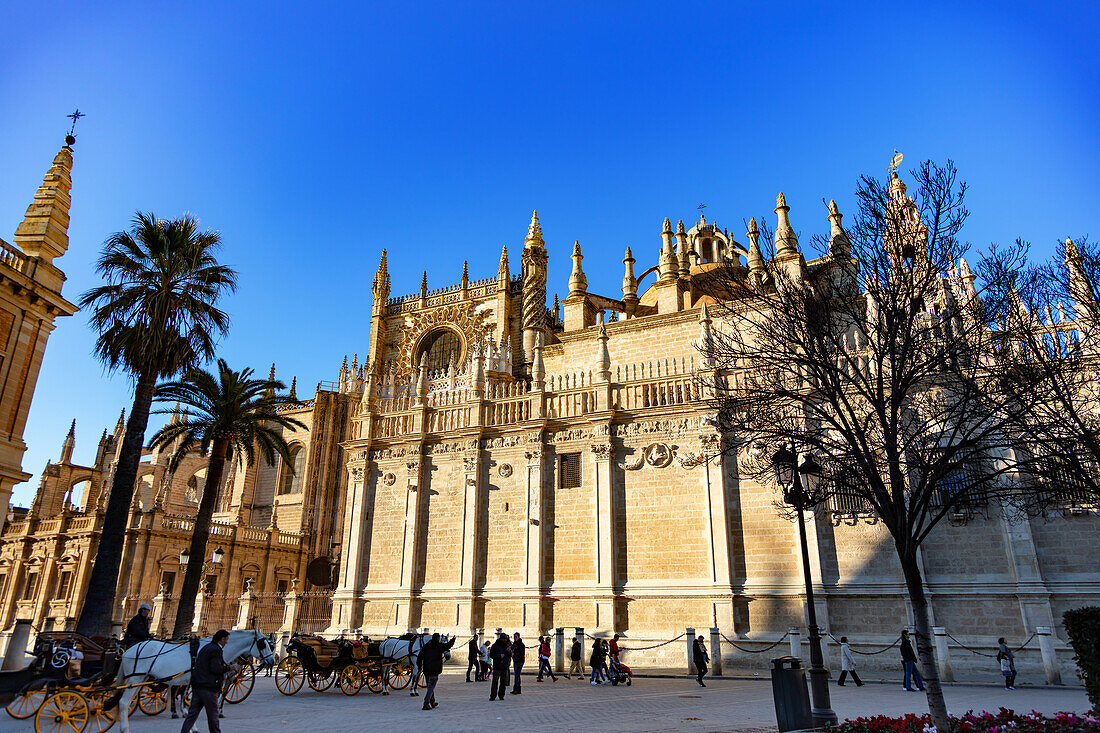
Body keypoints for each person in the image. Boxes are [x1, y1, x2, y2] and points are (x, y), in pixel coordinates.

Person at [181, 629, 237, 733]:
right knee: (213, 716)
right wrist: (229, 668)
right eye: (226, 639)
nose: (226, 642)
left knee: (192, 715)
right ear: (222, 639)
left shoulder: (206, 648)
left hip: (198, 687)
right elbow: (215, 668)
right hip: (209, 688)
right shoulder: (216, 650)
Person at [418, 633, 455, 710]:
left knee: (430, 686)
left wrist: (419, 666)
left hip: (426, 669)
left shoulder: (426, 646)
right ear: (438, 638)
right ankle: (426, 703)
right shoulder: (439, 646)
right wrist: (453, 639)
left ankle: (432, 702)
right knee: (431, 687)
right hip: (434, 670)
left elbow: (420, 656)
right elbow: (448, 646)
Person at [489, 632, 512, 701]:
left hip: (504, 666)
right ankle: (493, 696)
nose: (505, 640)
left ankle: (501, 695)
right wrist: (499, 656)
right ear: (501, 638)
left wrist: (508, 652)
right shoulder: (495, 646)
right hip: (497, 666)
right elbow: (491, 655)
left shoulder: (507, 645)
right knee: (495, 682)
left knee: (503, 682)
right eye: (504, 639)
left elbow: (510, 656)